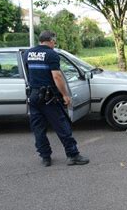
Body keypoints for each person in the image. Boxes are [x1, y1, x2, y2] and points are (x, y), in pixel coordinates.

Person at [24, 30, 89, 167]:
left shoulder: (27, 54)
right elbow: (57, 77)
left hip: (34, 96)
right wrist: (65, 95)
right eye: (54, 41)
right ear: (51, 40)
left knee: (38, 129)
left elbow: (29, 75)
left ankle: (45, 157)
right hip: (49, 97)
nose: (54, 43)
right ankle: (73, 155)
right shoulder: (51, 54)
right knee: (62, 126)